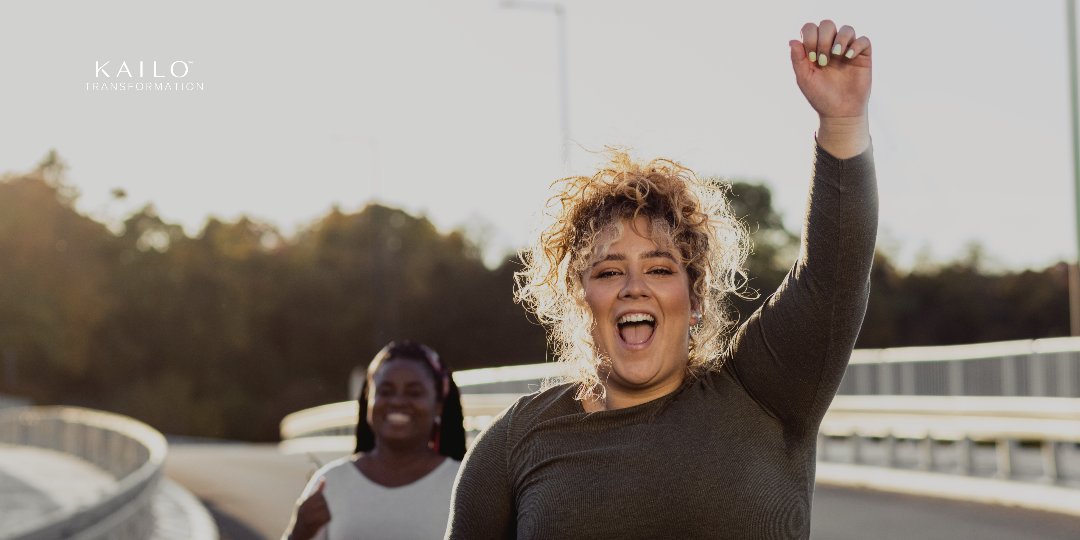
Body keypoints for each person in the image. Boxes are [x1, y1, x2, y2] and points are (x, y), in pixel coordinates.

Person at [446, 20, 876, 540]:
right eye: (607, 271)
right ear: (580, 300)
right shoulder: (516, 441)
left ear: (694, 296)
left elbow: (832, 279)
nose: (634, 286)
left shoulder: (765, 392)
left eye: (658, 267)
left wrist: (844, 123)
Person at [283, 341, 466, 540]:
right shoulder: (330, 483)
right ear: (368, 400)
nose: (397, 401)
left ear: (439, 405)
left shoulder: (465, 485)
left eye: (414, 393)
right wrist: (298, 533)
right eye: (385, 392)